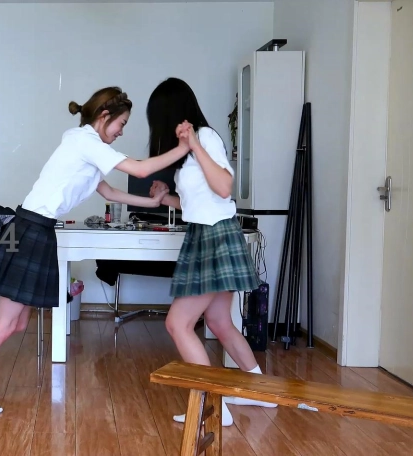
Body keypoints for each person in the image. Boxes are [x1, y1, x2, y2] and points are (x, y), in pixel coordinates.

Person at [0, 86, 193, 416]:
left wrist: (152, 202)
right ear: (104, 116)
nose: (121, 131)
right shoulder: (84, 142)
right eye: (121, 123)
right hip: (31, 230)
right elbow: (141, 169)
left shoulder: (87, 149)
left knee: (16, 324)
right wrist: (184, 147)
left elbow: (109, 192)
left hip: (36, 230)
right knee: (5, 324)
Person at [145, 78, 276, 427]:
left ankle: (212, 407)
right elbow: (198, 202)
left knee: (178, 323)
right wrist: (166, 198)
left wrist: (194, 144)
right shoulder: (190, 149)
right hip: (206, 233)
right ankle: (260, 392)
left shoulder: (205, 138)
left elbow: (223, 188)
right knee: (219, 321)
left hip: (215, 237)